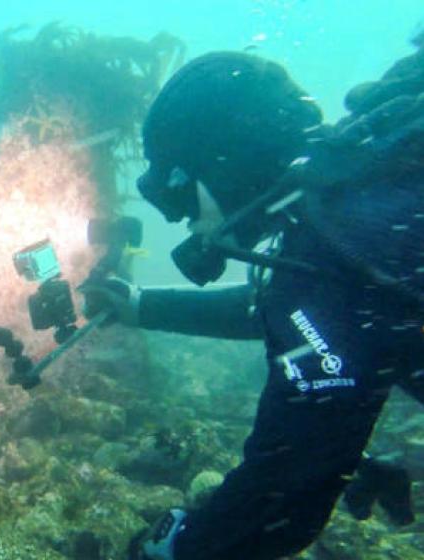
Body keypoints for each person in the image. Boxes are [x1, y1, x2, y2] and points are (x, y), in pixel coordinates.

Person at [81, 49, 423, 560]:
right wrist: (142, 306)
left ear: (226, 167)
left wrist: (176, 549)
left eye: (180, 189)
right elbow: (290, 310)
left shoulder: (338, 243)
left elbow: (282, 496)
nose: (182, 220)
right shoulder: (354, 199)